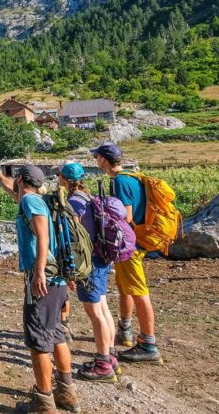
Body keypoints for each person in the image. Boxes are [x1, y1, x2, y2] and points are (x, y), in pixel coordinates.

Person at [0, 161, 80, 414]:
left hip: (43, 279)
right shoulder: (35, 199)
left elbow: (42, 235)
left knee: (38, 340)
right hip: (56, 279)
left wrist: (38, 271)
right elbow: (15, 193)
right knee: (57, 334)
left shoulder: (30, 202)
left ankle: (44, 401)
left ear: (21, 180)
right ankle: (67, 393)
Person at [92, 142, 162, 364]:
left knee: (139, 292)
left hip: (128, 246)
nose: (96, 161)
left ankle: (149, 344)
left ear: (104, 160)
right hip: (135, 243)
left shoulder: (120, 182)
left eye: (97, 157)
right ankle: (126, 330)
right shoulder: (132, 177)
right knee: (126, 288)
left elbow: (126, 216)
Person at [57, 162, 120, 382]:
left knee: (95, 314)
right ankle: (110, 356)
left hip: (89, 262)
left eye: (59, 175)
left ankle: (103, 364)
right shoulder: (87, 196)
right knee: (103, 307)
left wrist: (71, 269)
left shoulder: (74, 202)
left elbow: (74, 238)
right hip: (101, 259)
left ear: (64, 179)